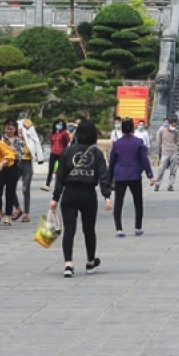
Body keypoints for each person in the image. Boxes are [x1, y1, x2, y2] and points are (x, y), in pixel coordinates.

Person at [50, 119, 111, 278]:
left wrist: (55, 197)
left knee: (69, 230)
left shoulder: (68, 151)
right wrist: (107, 196)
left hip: (69, 193)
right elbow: (103, 175)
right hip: (88, 194)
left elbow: (61, 176)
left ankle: (68, 264)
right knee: (89, 229)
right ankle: (90, 262)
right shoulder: (96, 152)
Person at [108, 118, 153, 238]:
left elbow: (112, 162)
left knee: (118, 203)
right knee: (138, 202)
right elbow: (144, 159)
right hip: (134, 175)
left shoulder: (117, 144)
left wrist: (109, 178)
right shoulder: (138, 142)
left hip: (120, 176)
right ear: (133, 129)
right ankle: (137, 227)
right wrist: (150, 175)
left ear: (122, 129)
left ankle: (119, 229)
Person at [18, 118, 42, 221]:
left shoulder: (30, 139)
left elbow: (37, 143)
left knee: (25, 188)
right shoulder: (12, 139)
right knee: (9, 188)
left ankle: (26, 213)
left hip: (27, 163)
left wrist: (39, 158)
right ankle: (17, 208)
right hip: (15, 164)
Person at [151, 117, 179, 192]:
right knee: (161, 169)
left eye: (175, 126)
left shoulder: (175, 131)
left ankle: (171, 185)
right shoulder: (162, 130)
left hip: (173, 151)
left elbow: (177, 141)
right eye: (173, 125)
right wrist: (161, 148)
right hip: (165, 151)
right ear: (169, 124)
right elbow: (159, 140)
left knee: (173, 169)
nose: (173, 127)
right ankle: (157, 184)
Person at [45, 120, 70, 191]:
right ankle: (47, 185)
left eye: (61, 124)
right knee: (50, 169)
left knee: (61, 170)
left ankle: (61, 184)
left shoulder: (64, 133)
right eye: (58, 124)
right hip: (53, 152)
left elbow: (67, 141)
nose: (59, 125)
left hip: (61, 153)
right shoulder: (52, 134)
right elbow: (51, 143)